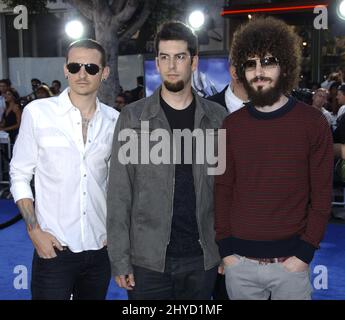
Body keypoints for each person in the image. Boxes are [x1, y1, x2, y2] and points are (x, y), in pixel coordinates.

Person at [214, 17, 333, 300]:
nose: (258, 72)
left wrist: (304, 253)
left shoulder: (313, 123)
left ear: (286, 66)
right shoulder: (229, 126)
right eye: (250, 64)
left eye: (268, 61)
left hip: (291, 266)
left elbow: (321, 196)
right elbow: (222, 190)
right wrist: (226, 251)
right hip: (239, 265)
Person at [107, 21, 227, 300]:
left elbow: (226, 190)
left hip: (202, 259)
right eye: (164, 57)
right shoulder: (133, 118)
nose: (172, 65)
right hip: (147, 261)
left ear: (194, 62)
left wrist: (225, 249)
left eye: (180, 57)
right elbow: (119, 193)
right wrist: (120, 259)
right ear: (157, 63)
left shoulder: (217, 118)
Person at [10, 39, 119, 300]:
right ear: (65, 70)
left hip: (100, 250)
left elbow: (119, 184)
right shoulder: (38, 113)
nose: (82, 74)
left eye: (91, 68)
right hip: (54, 248)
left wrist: (116, 234)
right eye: (75, 66)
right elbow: (20, 174)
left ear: (104, 73)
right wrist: (34, 231)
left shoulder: (115, 121)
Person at [207, 61, 248, 300]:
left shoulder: (281, 109)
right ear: (234, 71)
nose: (260, 71)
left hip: (270, 244)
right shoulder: (203, 110)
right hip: (215, 244)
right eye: (251, 64)